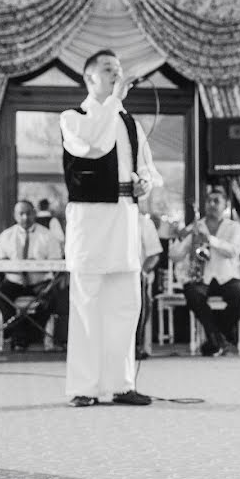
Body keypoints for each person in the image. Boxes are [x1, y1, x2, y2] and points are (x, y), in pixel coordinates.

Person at [60, 48, 161, 407]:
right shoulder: (74, 118)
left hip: (124, 219)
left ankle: (121, 383)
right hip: (90, 221)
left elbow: (148, 167)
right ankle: (85, 387)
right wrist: (113, 101)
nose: (116, 75)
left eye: (119, 70)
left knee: (125, 303)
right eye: (108, 70)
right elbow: (93, 145)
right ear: (89, 77)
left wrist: (144, 183)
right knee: (88, 305)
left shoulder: (129, 122)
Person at [169, 186, 240, 356]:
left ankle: (216, 336)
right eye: (209, 201)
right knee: (192, 293)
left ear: (225, 205)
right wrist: (179, 236)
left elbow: (233, 251)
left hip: (228, 277)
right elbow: (176, 256)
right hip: (202, 277)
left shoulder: (234, 228)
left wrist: (209, 239)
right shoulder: (196, 227)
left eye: (216, 201)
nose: (212, 204)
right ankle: (219, 339)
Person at [0, 200, 64, 350]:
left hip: (39, 281)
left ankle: (30, 334)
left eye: (29, 213)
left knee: (51, 297)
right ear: (15, 215)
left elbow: (57, 262)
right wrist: (13, 264)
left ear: (35, 213)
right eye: (21, 214)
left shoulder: (47, 236)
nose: (25, 217)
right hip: (15, 281)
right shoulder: (6, 236)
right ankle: (19, 335)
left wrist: (37, 264)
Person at [135, 212, 162, 360]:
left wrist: (142, 272)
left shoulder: (143, 223)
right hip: (110, 276)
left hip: (137, 276)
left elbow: (154, 254)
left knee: (140, 300)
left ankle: (133, 344)